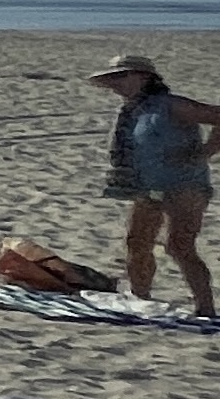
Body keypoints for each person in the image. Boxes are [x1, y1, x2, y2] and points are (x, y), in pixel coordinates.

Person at [89, 55, 216, 316]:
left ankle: (205, 308)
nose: (115, 83)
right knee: (137, 242)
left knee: (179, 246)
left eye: (121, 76)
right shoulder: (131, 110)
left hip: (185, 186)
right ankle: (140, 298)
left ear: (144, 77)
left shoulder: (173, 105)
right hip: (146, 185)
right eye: (112, 78)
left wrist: (204, 153)